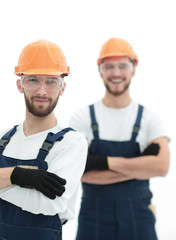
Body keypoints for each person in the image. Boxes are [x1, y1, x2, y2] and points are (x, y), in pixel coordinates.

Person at [0, 39, 88, 240]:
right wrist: (16, 176)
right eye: (33, 79)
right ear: (20, 84)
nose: (42, 90)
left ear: (62, 87)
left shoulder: (71, 143)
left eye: (51, 81)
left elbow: (49, 204)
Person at [70, 37, 170, 240]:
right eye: (109, 67)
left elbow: (160, 167)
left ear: (133, 69)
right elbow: (75, 172)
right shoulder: (81, 118)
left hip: (139, 217)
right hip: (93, 217)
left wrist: (101, 162)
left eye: (122, 66)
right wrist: (139, 167)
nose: (116, 73)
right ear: (100, 71)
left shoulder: (150, 118)